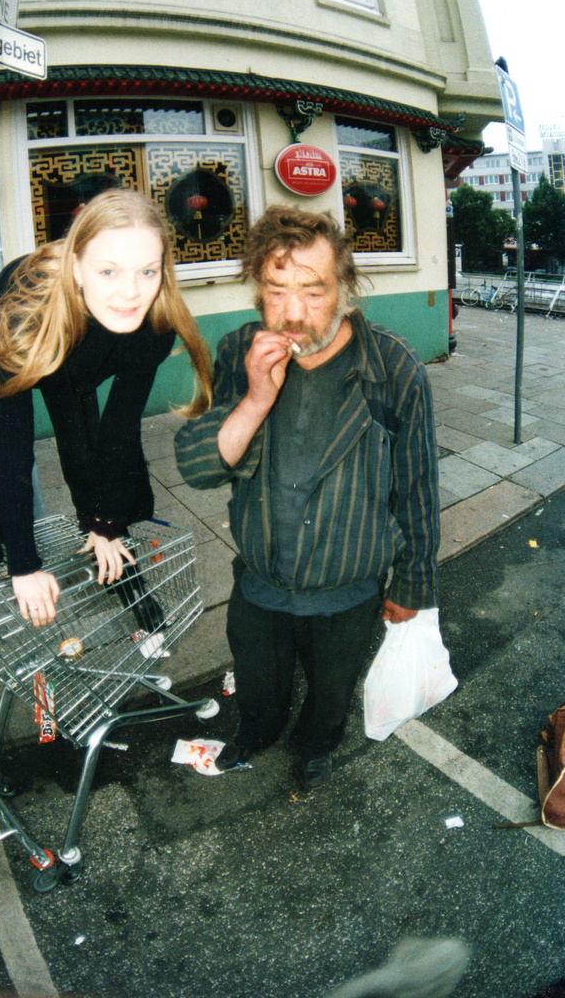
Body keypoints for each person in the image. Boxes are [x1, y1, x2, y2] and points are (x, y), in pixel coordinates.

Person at [174, 205, 440, 790]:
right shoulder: (240, 350)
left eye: (313, 291)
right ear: (257, 290)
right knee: (259, 681)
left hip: (348, 589)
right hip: (261, 581)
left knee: (331, 690)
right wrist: (254, 400)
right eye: (276, 290)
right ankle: (258, 730)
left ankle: (316, 744)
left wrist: (413, 585)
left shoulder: (393, 368)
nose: (293, 313)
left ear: (345, 288)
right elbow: (197, 469)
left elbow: (418, 489)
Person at [0, 190, 212, 626]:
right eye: (109, 271)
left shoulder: (154, 322)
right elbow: (10, 448)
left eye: (147, 270)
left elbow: (121, 429)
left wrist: (108, 522)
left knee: (94, 464)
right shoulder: (26, 313)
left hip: (77, 362)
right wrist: (24, 565)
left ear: (163, 270)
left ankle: (124, 576)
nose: (130, 291)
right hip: (18, 331)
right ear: (77, 267)